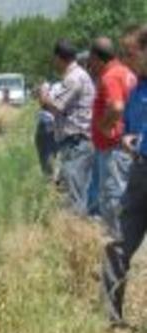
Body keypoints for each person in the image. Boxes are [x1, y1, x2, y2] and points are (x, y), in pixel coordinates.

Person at [102, 25, 147, 329]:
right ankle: (110, 318)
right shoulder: (138, 89)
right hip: (139, 172)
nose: (126, 60)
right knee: (119, 241)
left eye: (131, 53)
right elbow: (129, 127)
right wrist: (127, 139)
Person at [87, 37, 138, 237]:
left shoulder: (110, 76)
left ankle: (117, 246)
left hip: (112, 149)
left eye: (91, 60)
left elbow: (116, 106)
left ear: (98, 58)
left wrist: (103, 124)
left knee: (113, 197)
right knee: (119, 195)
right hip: (121, 147)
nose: (90, 65)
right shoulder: (126, 72)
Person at [39, 40, 96, 216]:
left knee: (74, 194)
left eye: (54, 59)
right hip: (75, 142)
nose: (53, 63)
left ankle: (77, 237)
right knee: (71, 189)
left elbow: (55, 106)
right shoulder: (78, 75)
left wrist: (43, 94)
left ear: (59, 58)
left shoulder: (73, 78)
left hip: (76, 142)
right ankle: (74, 233)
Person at [35, 81, 63, 179]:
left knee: (46, 155)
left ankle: (50, 179)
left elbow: (43, 100)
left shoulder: (49, 85)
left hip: (47, 122)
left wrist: (43, 94)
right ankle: (56, 178)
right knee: (57, 154)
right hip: (59, 125)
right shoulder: (66, 84)